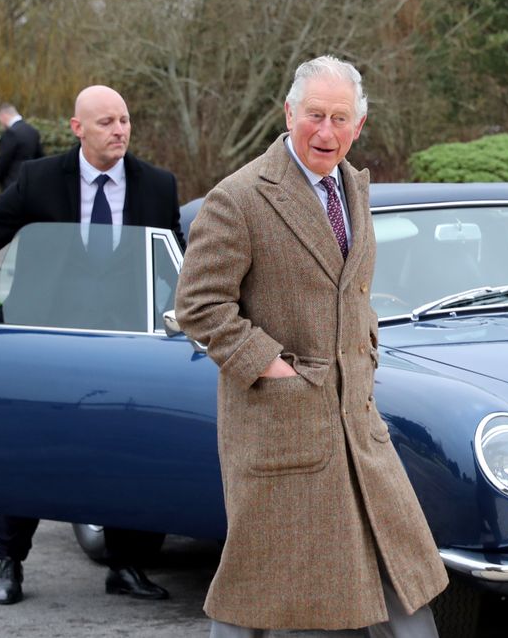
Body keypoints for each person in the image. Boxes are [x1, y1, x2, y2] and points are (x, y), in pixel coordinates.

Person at [175, 56, 447, 637]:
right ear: (289, 114)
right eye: (314, 115)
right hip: (280, 430)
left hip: (359, 426)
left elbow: (351, 291)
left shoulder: (354, 188)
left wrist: (365, 346)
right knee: (262, 588)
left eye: (339, 118)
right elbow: (199, 304)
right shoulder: (239, 197)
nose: (325, 131)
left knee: (402, 577)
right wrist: (271, 367)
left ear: (358, 125)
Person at [0, 85, 184, 605]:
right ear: (78, 129)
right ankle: (10, 562)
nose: (120, 130)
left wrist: (195, 316)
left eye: (124, 120)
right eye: (106, 122)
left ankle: (124, 566)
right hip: (42, 345)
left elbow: (177, 266)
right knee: (32, 451)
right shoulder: (38, 180)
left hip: (123, 346)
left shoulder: (157, 185)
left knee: (122, 451)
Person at [0, 103, 45, 191]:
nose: (0, 122)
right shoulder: (32, 131)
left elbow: (3, 160)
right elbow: (40, 157)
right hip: (30, 182)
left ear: (4, 115)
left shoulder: (10, 133)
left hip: (12, 184)